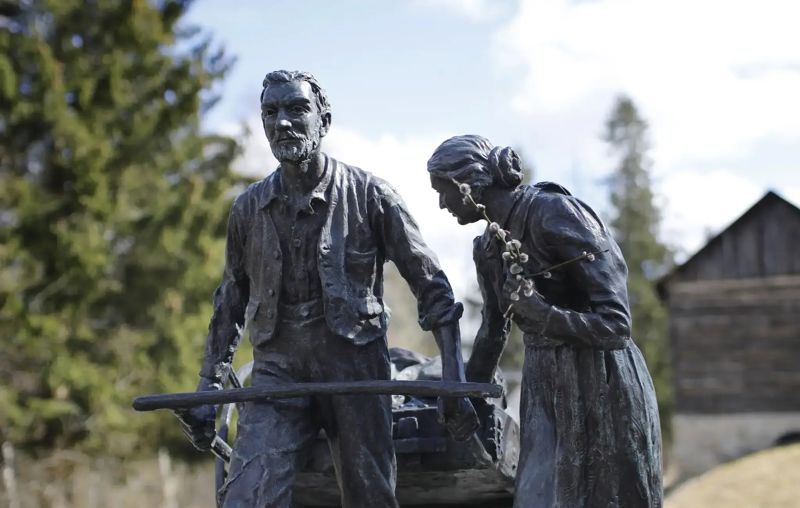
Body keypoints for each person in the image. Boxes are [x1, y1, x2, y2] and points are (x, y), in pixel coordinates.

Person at [182, 71, 478, 508]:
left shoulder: (371, 195)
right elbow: (229, 302)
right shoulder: (247, 210)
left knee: (370, 498)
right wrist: (209, 386)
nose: (283, 122)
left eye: (297, 109)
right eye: (271, 112)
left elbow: (432, 285)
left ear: (324, 120)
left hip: (356, 372)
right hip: (278, 374)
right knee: (245, 497)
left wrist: (454, 379)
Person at [427, 135, 663, 507]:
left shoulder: (555, 213)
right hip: (544, 388)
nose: (442, 204)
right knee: (538, 496)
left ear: (467, 183)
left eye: (443, 191)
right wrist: (464, 394)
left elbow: (617, 325)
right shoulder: (487, 248)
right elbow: (493, 330)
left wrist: (544, 315)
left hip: (601, 380)